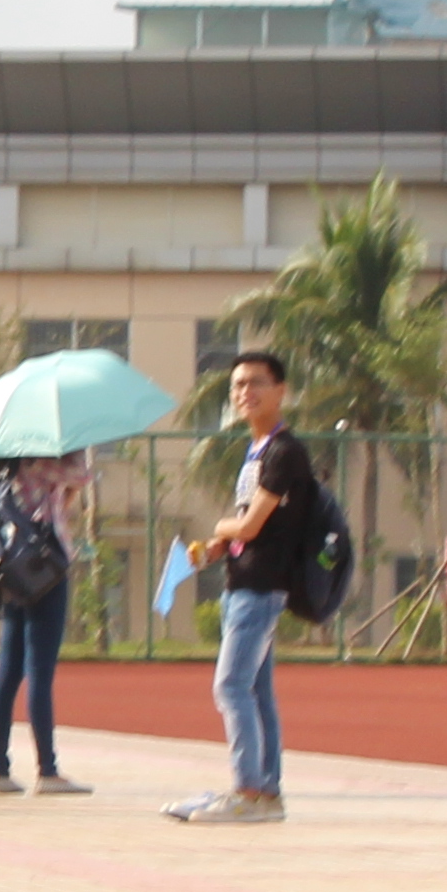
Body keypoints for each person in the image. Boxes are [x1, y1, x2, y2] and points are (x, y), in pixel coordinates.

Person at [165, 351, 320, 826]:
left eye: (256, 383)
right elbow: (249, 529)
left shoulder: (283, 450)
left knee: (230, 686)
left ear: (281, 391)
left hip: (262, 586)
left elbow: (251, 525)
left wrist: (224, 526)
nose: (244, 393)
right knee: (255, 690)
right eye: (237, 386)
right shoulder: (255, 451)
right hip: (244, 580)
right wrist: (216, 547)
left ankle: (249, 791)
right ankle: (266, 792)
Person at [0, 444, 92, 794]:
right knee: (39, 671)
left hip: (12, 572)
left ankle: (0, 769)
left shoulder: (5, 469)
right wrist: (78, 447)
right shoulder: (44, 463)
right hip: (45, 571)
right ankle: (47, 770)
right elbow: (82, 475)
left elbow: (60, 500)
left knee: (8, 669)